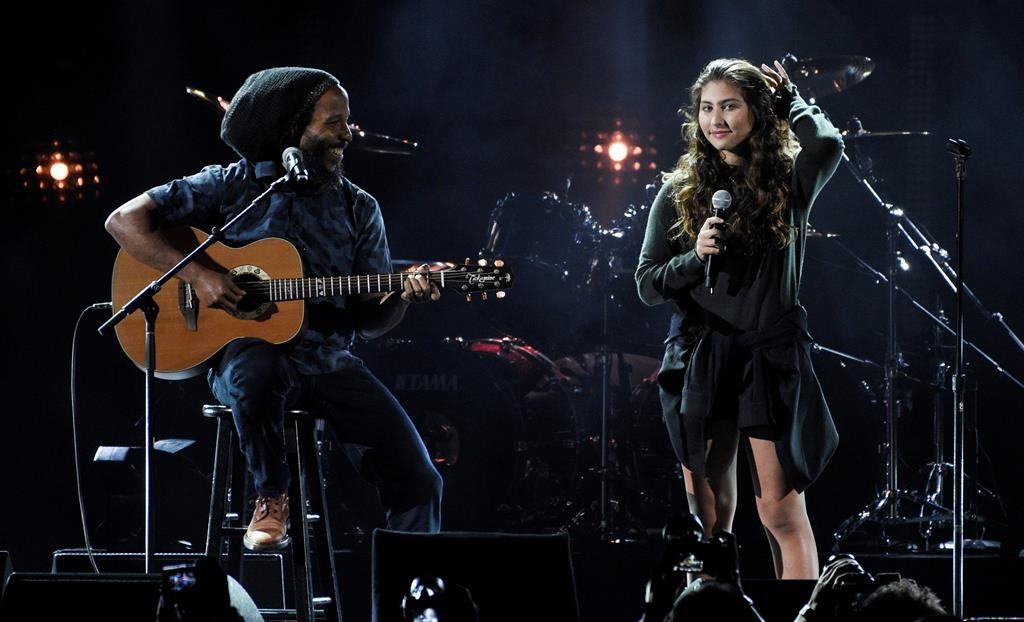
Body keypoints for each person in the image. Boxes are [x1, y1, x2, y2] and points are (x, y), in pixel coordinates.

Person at [105, 67, 444, 549]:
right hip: (247, 358)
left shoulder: (359, 208)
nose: (347, 134)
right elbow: (124, 221)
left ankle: (412, 600)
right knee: (258, 368)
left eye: (348, 122)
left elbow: (369, 321)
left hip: (328, 361)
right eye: (334, 123)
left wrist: (402, 297)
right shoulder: (232, 186)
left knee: (420, 479)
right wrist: (200, 275)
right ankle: (271, 496)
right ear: (293, 129)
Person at [635, 58, 844, 579]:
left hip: (765, 355)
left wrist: (792, 100)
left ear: (757, 110)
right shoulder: (679, 188)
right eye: (707, 108)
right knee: (707, 515)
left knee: (777, 509)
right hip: (702, 355)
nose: (716, 120)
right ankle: (709, 610)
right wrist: (693, 258)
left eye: (730, 106)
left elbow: (827, 143)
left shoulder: (789, 180)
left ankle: (799, 615)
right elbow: (646, 283)